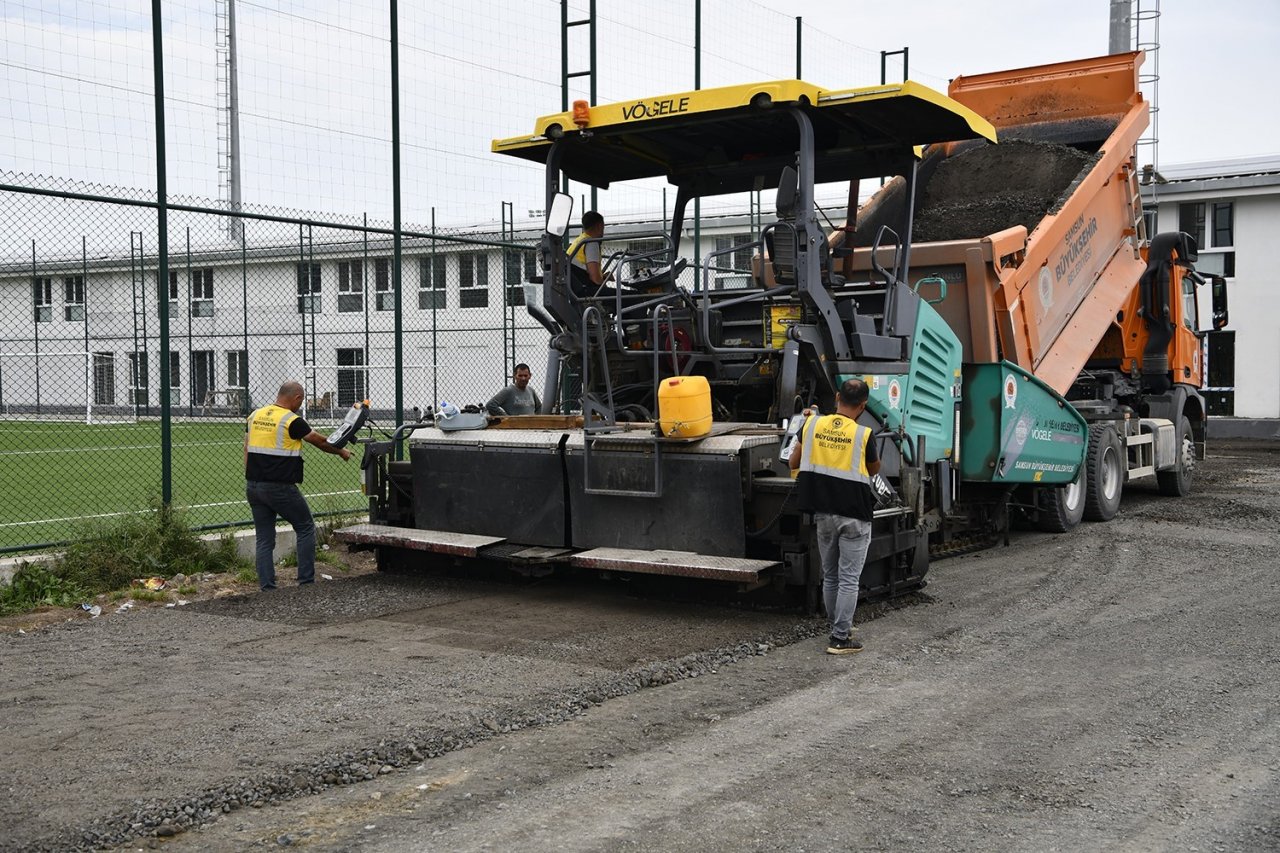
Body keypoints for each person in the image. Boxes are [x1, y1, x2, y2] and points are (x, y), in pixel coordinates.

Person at [788, 378, 881, 654]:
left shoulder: (812, 424)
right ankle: (840, 638)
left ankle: (837, 626)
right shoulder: (864, 435)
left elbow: (793, 462)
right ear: (863, 406)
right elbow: (874, 470)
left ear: (838, 397)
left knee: (830, 575)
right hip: (854, 515)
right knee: (849, 578)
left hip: (824, 513)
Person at [244, 380, 352, 590]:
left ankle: (267, 588)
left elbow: (246, 448)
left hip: (254, 486)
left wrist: (251, 478)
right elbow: (320, 441)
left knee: (264, 539)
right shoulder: (291, 420)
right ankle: (306, 582)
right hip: (280, 488)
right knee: (305, 528)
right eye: (300, 401)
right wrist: (341, 451)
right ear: (296, 398)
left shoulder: (254, 415)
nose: (300, 405)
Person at [565, 210, 615, 298]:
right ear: (599, 226)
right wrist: (604, 279)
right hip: (590, 292)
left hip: (578, 289)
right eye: (603, 227)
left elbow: (582, 271)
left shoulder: (578, 242)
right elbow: (595, 279)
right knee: (633, 297)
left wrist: (603, 277)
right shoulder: (591, 243)